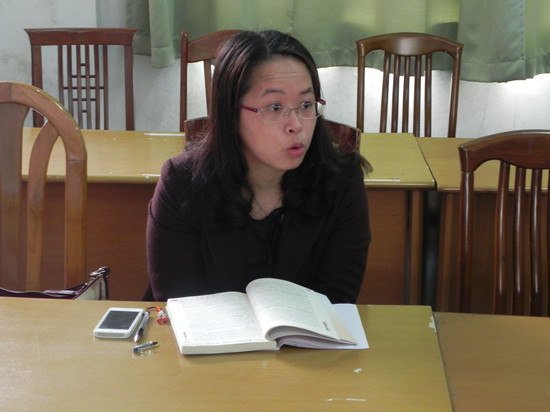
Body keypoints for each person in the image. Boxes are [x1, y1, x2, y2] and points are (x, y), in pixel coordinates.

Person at [145, 30, 372, 303]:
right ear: (231, 113)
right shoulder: (182, 183)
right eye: (274, 107)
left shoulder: (341, 181)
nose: (296, 125)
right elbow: (178, 299)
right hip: (207, 331)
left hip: (304, 331)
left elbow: (337, 297)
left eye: (306, 104)